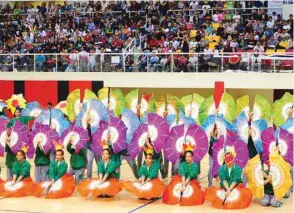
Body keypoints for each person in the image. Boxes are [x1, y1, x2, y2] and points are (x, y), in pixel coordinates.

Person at [5, 107, 35, 179]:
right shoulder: (12, 120)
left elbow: (31, 118)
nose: (17, 113)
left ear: (20, 113)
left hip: (22, 139)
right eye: (16, 112)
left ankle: (21, 172)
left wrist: (35, 115)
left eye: (18, 112)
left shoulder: (24, 118)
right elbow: (7, 127)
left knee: (21, 153)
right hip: (14, 138)